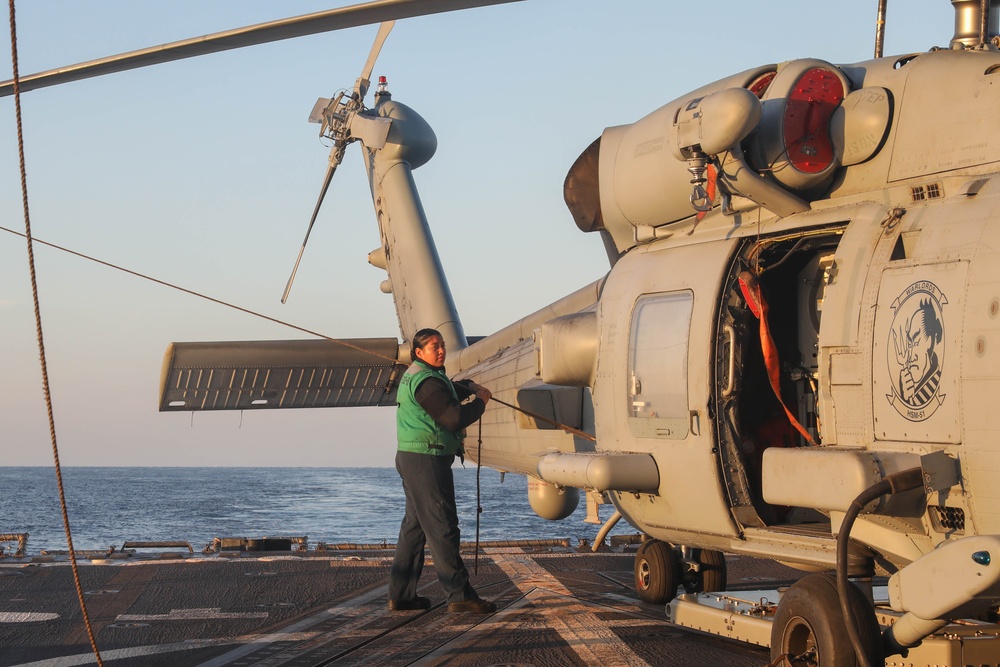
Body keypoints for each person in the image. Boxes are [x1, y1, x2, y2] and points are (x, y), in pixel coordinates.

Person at [387, 328, 497, 614]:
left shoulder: (423, 375)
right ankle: (459, 595)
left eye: (442, 345)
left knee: (414, 529)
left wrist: (470, 387)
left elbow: (447, 390)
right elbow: (452, 417)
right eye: (434, 346)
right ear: (418, 352)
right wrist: (481, 402)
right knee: (443, 528)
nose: (440, 350)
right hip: (427, 461)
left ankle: (401, 596)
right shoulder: (425, 380)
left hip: (414, 458)